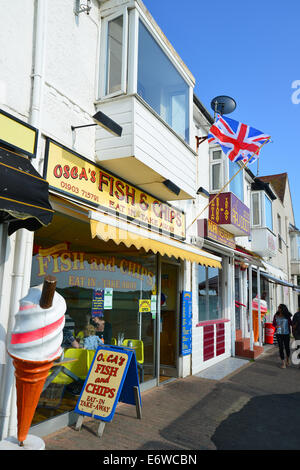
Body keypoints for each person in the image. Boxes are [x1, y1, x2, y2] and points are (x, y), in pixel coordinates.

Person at [272, 304, 292, 368]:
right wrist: (275, 326)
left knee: (287, 348)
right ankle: (283, 363)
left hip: (286, 334)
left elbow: (291, 323)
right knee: (281, 348)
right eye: (278, 307)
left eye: (279, 308)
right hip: (279, 334)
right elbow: (273, 323)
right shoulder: (276, 315)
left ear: (282, 309)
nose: (278, 309)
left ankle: (288, 359)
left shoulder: (287, 316)